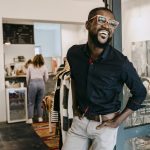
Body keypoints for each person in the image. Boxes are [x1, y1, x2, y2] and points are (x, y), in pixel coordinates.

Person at [62, 7, 147, 150]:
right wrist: (74, 105)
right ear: (88, 25)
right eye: (101, 20)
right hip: (80, 122)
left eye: (112, 23)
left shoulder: (121, 63)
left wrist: (118, 121)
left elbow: (140, 93)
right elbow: (75, 78)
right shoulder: (74, 53)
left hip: (105, 127)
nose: (107, 26)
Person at [26, 54, 49, 124]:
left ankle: (30, 119)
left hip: (33, 83)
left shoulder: (30, 66)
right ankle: (40, 118)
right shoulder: (44, 67)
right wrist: (42, 82)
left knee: (31, 102)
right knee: (40, 102)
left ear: (34, 59)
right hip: (41, 83)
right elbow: (46, 78)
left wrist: (28, 85)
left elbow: (27, 77)